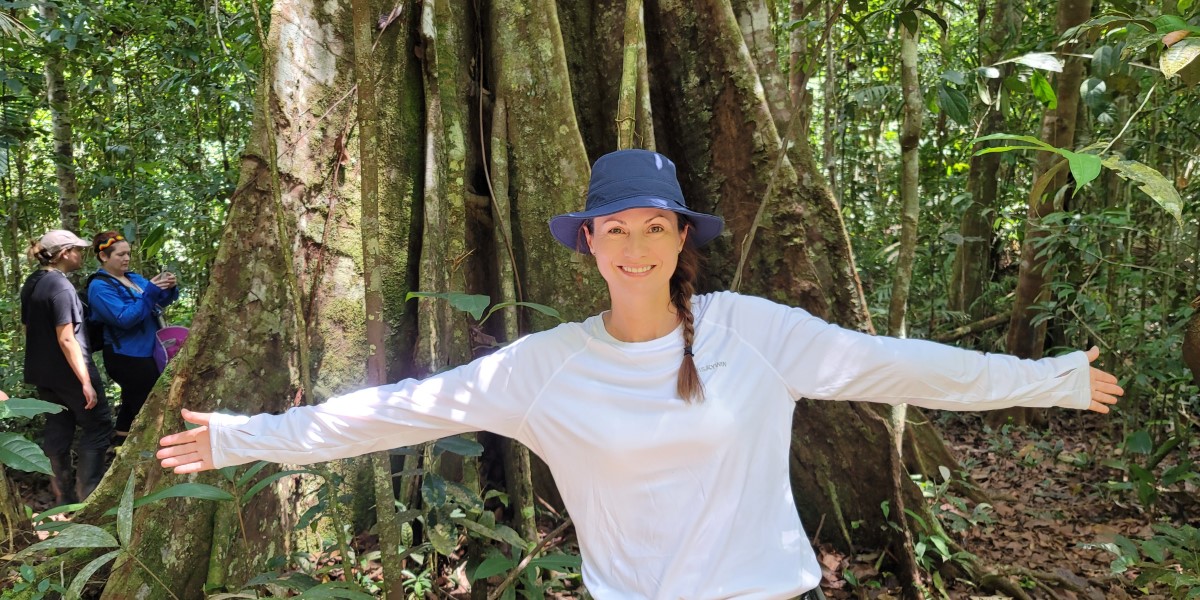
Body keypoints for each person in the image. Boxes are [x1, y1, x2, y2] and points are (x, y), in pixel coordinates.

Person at [158, 149, 1124, 599]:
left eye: (652, 225)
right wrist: (246, 437)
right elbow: (400, 409)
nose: (633, 245)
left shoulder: (751, 333)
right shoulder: (546, 368)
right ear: (587, 243)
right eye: (613, 228)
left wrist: (1051, 379)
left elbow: (901, 365)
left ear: (679, 238)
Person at [21, 230, 114, 505]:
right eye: (78, 250)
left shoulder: (33, 282)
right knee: (98, 426)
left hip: (44, 374)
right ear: (64, 254)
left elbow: (28, 328)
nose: (81, 255)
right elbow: (66, 337)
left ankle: (64, 501)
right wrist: (85, 380)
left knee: (58, 427)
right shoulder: (60, 287)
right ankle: (89, 500)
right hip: (71, 372)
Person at [88, 231, 179, 445]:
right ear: (104, 257)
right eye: (120, 254)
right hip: (126, 357)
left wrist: (169, 289)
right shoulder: (99, 287)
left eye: (128, 253)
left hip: (148, 351)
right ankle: (148, 453)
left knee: (131, 403)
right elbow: (125, 318)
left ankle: (120, 446)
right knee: (148, 407)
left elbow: (155, 304)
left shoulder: (133, 278)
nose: (127, 258)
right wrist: (151, 292)